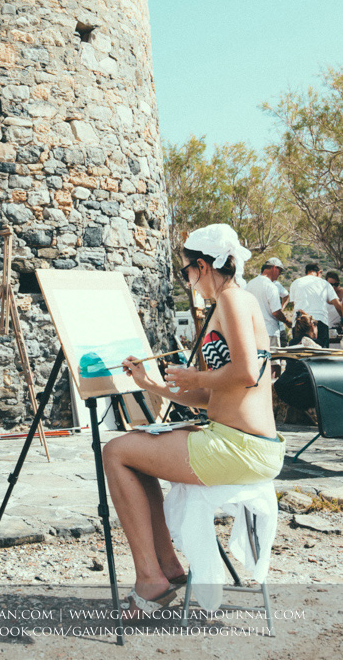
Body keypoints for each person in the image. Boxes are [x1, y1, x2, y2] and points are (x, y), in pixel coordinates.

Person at [102, 223, 285, 617]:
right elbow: (214, 396)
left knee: (116, 451)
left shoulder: (233, 300)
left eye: (186, 271)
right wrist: (153, 384)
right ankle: (166, 570)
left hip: (240, 446)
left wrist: (196, 376)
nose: (188, 280)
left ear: (202, 265)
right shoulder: (236, 301)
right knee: (136, 452)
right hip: (241, 441)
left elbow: (248, 372)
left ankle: (151, 579)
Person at [245, 258, 289, 376]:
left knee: (258, 364)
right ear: (274, 268)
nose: (279, 275)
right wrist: (286, 320)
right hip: (269, 331)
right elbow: (276, 312)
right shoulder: (271, 286)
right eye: (280, 271)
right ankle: (272, 393)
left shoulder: (250, 284)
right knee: (274, 365)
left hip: (253, 332)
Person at [273, 312, 321, 412]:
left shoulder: (292, 343)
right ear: (312, 326)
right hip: (305, 388)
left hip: (285, 387)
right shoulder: (313, 344)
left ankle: (297, 412)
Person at [289, 263, 343, 349]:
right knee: (321, 354)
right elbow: (337, 305)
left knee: (298, 351)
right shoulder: (324, 284)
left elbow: (294, 304)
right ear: (319, 272)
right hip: (319, 321)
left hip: (300, 321)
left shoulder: (295, 283)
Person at [324, 271, 343, 346]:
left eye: (336, 284)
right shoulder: (323, 295)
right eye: (330, 285)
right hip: (327, 330)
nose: (333, 287)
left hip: (339, 330)